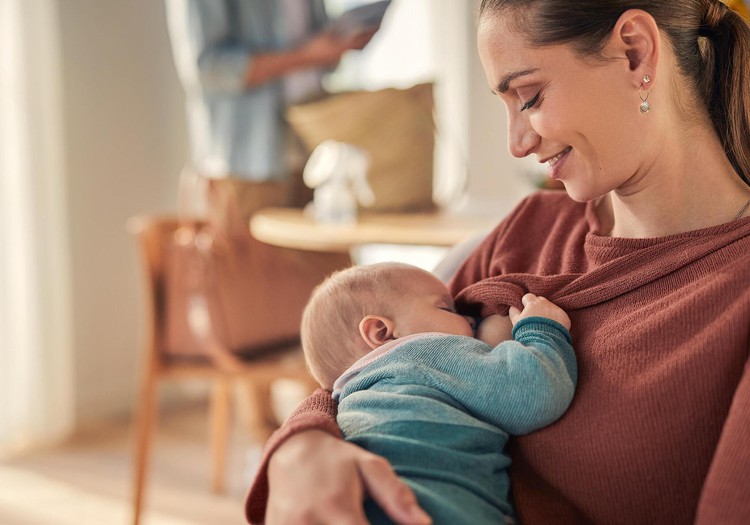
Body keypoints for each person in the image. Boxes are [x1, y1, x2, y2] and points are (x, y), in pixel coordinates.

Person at [245, 1, 750, 524]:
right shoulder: (530, 232)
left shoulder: (733, 291)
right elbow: (370, 371)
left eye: (529, 97)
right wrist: (300, 445)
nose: (516, 142)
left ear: (634, 52)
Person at [301, 262, 576, 524]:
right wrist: (542, 329)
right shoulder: (424, 351)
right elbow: (532, 395)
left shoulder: (348, 400)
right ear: (382, 331)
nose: (470, 319)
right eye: (447, 309)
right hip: (428, 507)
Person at [164, 0, 379, 219]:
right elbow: (209, 68)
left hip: (315, 150)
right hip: (248, 163)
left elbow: (316, 44)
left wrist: (340, 43)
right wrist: (304, 56)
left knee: (329, 248)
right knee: (252, 251)